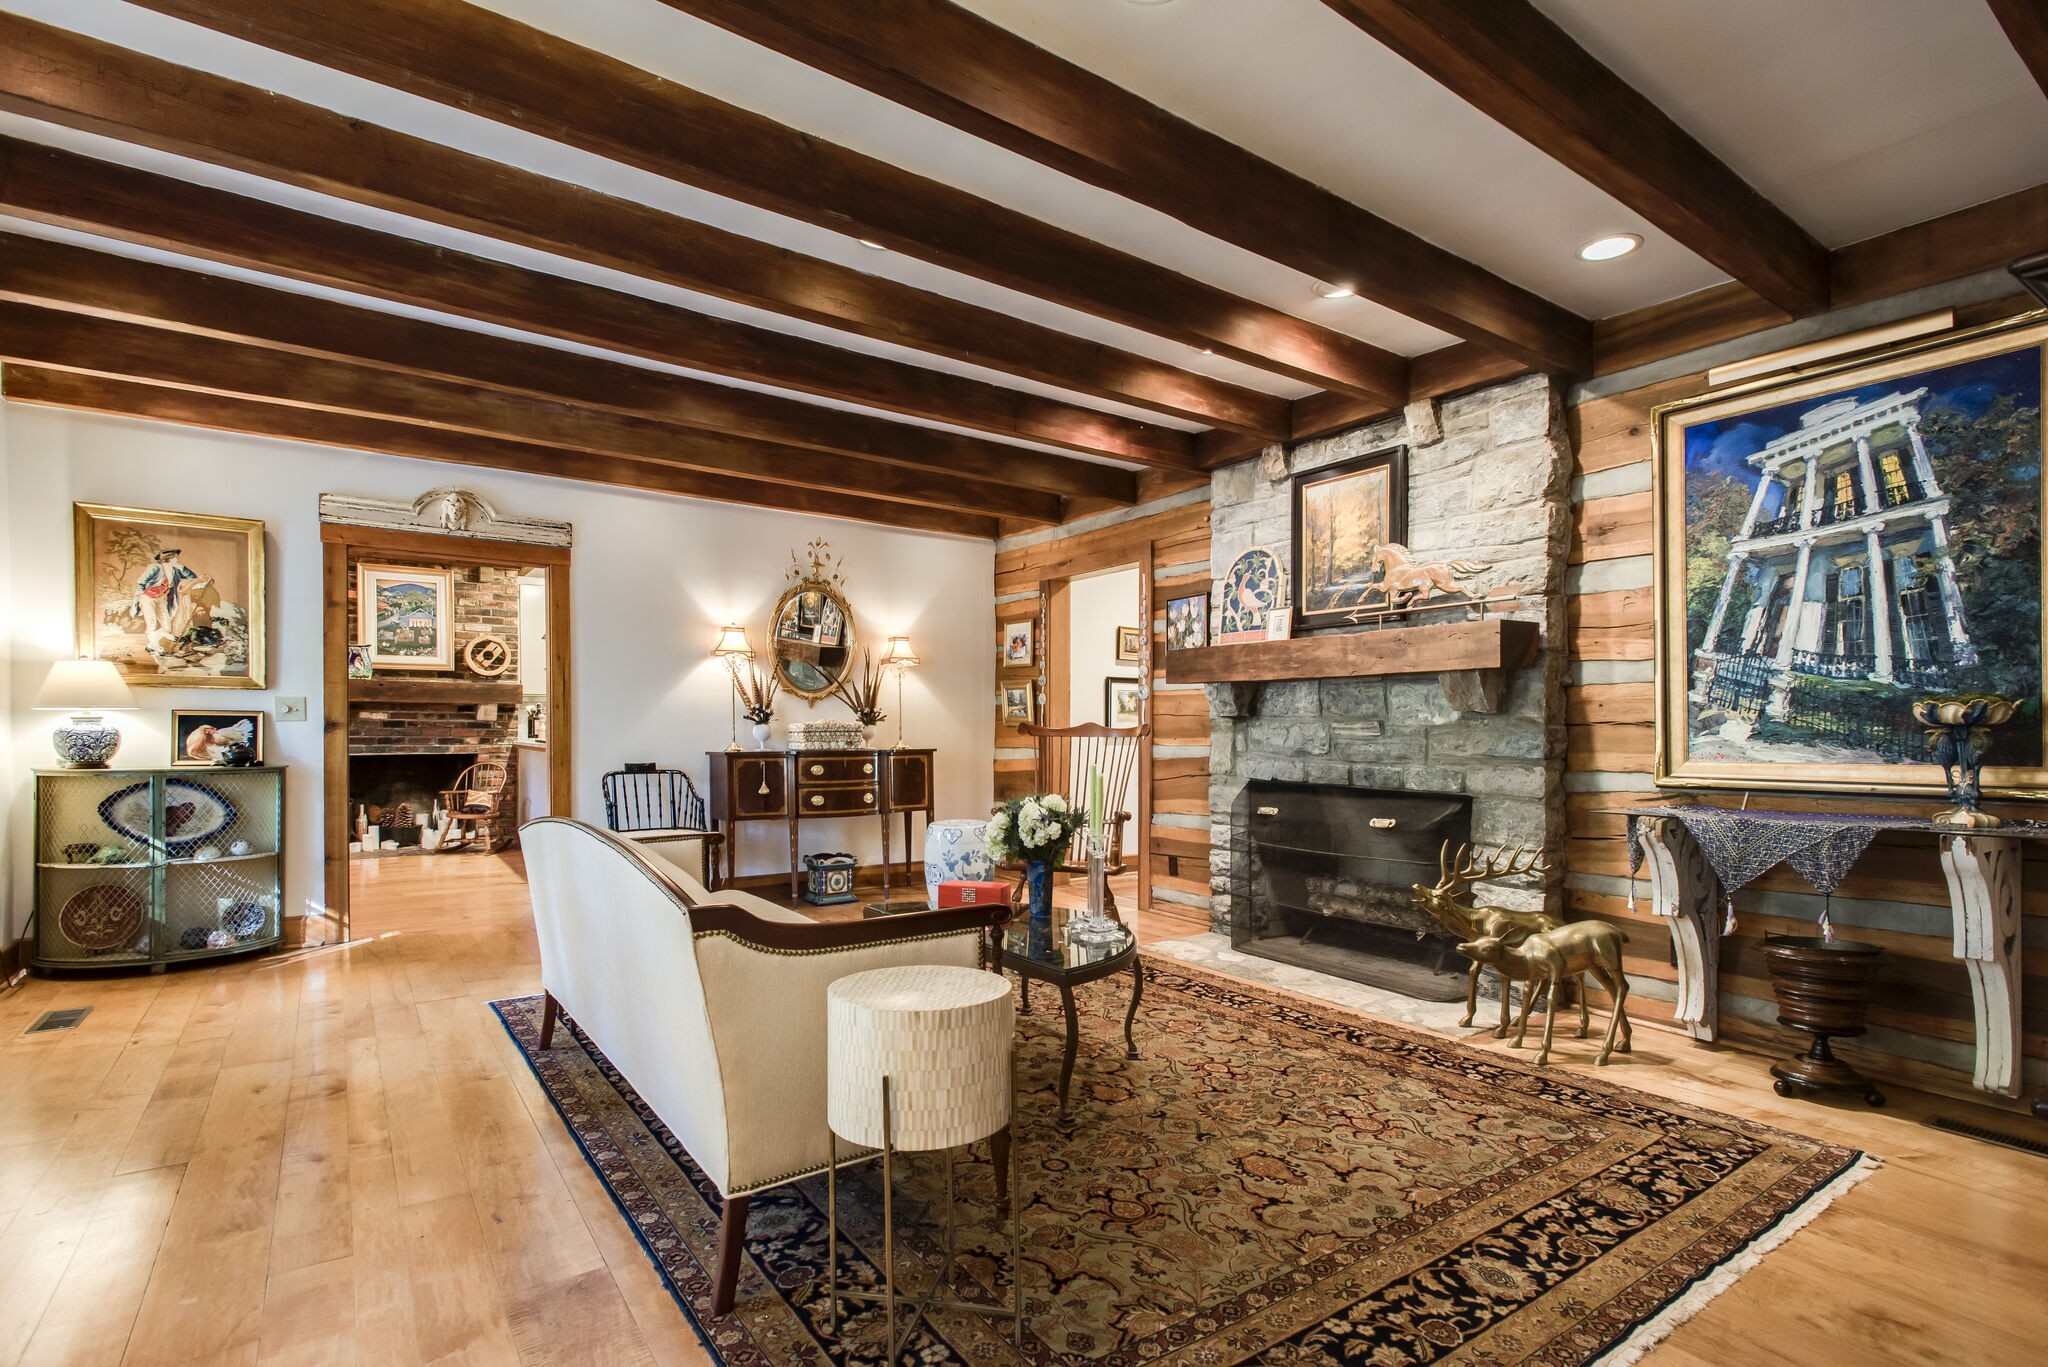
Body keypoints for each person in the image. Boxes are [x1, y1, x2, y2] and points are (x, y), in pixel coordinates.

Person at [135, 548, 201, 662]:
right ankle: (156, 648)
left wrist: (182, 567)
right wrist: (140, 596)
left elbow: (193, 577)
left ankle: (151, 645)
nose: (178, 559)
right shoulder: (154, 568)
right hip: (148, 598)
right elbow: (141, 581)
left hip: (162, 598)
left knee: (166, 626)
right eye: (175, 557)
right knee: (152, 623)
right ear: (169, 558)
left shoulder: (175, 570)